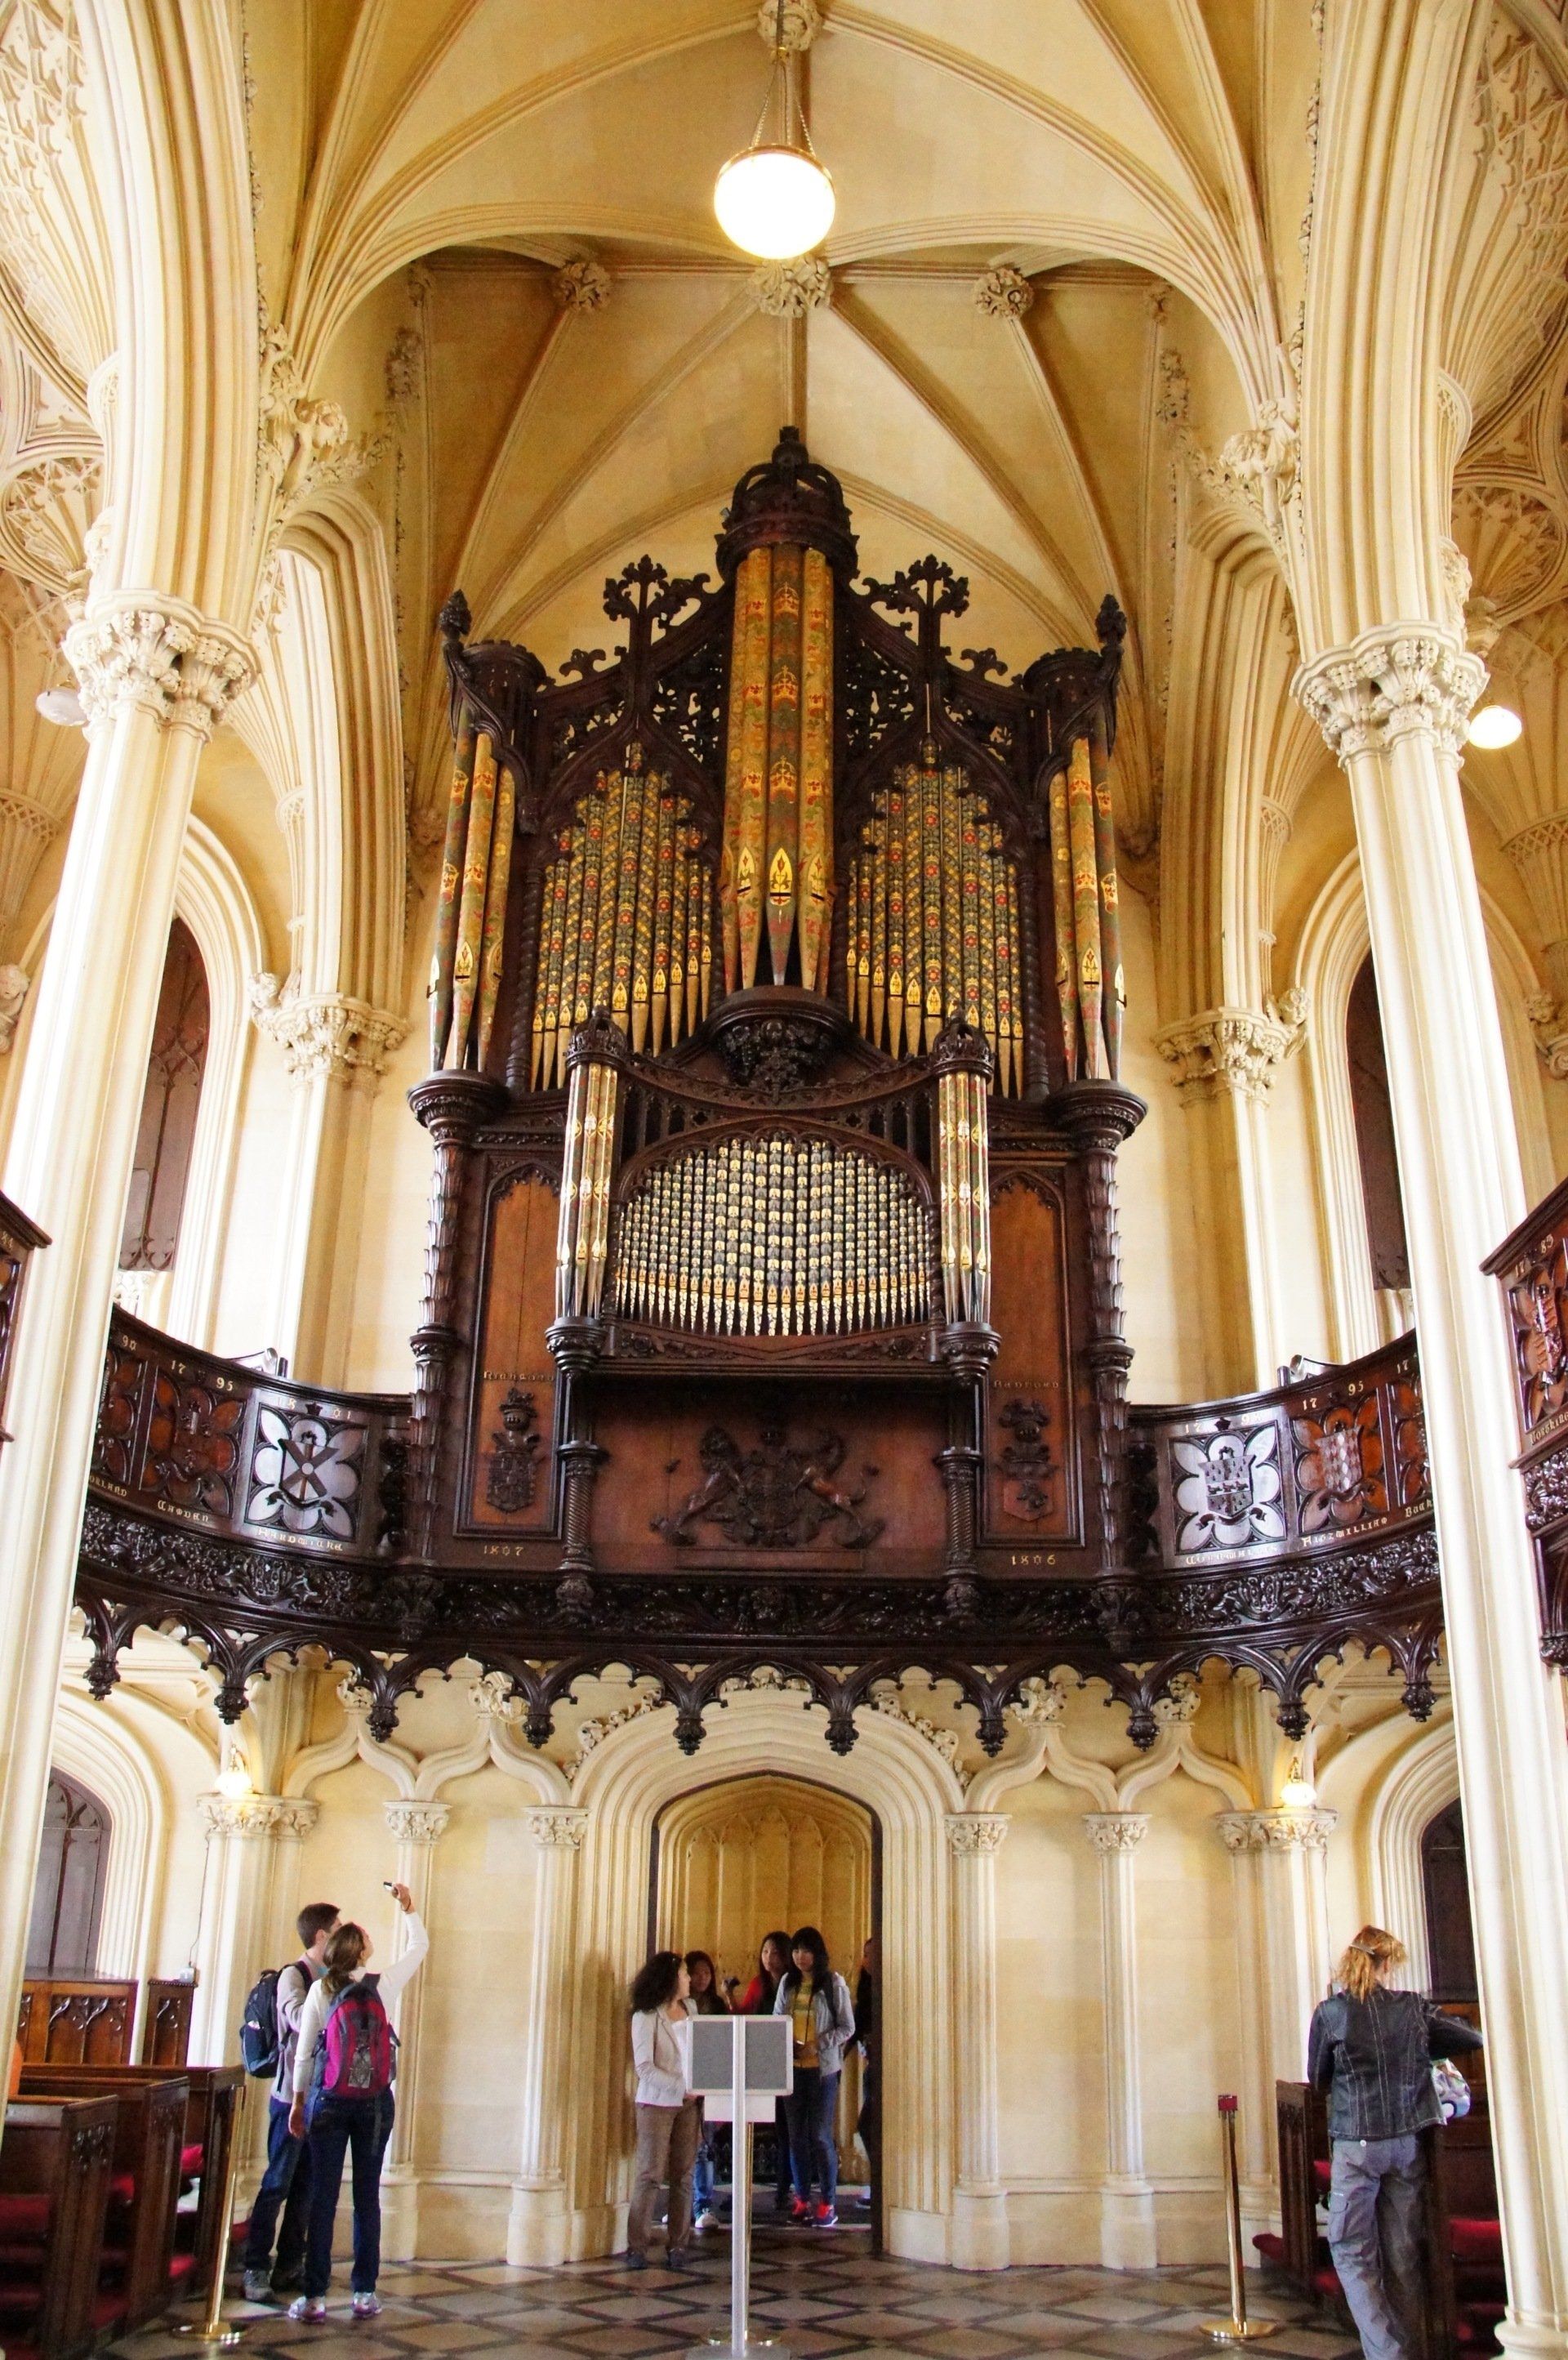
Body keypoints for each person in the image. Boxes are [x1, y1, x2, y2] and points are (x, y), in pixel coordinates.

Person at [1307, 1925, 1484, 2360]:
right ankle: (1411, 2347)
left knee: (1351, 2251)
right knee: (1403, 2253)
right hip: (1407, 2141)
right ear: (1386, 1964)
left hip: (1358, 2142)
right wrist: (1420, 2047)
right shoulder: (1413, 2009)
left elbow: (1318, 2077)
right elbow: (1471, 2037)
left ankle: (1388, 2353)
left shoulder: (1332, 2013)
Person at [287, 1881, 429, 2322]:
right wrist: (408, 1908)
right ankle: (364, 2292)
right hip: (373, 2105)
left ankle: (314, 2298)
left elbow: (305, 2051)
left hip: (328, 2102)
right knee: (368, 2198)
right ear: (362, 1952)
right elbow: (420, 1946)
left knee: (324, 2199)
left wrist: (297, 2101)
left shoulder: (320, 1991)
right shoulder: (381, 1983)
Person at [242, 1901, 340, 2303]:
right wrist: (335, 2003)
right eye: (335, 1930)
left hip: (320, 2098)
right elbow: (301, 2020)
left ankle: (289, 2264)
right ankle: (254, 2267)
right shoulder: (293, 1976)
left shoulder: (328, 1978)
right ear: (321, 1937)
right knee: (277, 2183)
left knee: (306, 2187)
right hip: (289, 2098)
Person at [773, 1926, 856, 2228]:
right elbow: (776, 2019)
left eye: (806, 1950)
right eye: (795, 1950)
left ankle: (828, 2202)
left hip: (822, 2072)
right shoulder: (788, 1982)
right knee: (796, 2139)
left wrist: (816, 2044)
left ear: (817, 1953)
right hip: (792, 2071)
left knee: (820, 2137)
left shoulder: (834, 1984)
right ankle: (802, 2199)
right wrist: (786, 2043)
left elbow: (847, 2027)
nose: (800, 1957)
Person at [627, 1951, 701, 2271]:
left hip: (690, 2103)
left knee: (684, 2175)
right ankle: (637, 2245)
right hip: (657, 2102)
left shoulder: (692, 2009)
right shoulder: (646, 2015)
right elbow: (644, 2067)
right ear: (671, 1979)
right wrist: (678, 2086)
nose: (689, 1979)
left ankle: (679, 2243)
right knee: (650, 2174)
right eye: (685, 1974)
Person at [737, 1933, 794, 2211]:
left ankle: (785, 2190)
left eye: (774, 1952)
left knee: (786, 2130)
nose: (769, 1958)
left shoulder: (794, 1984)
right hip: (758, 2062)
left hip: (787, 2063)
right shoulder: (758, 1984)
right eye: (765, 1952)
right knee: (750, 2124)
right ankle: (741, 2193)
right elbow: (744, 2014)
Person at [684, 1951, 729, 2231]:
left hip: (710, 2081)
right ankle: (686, 2205)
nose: (702, 1978)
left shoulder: (716, 2005)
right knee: (685, 2148)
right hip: (684, 2081)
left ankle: (703, 2204)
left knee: (704, 2146)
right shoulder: (679, 2005)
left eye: (706, 1973)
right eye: (696, 1972)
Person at [853, 1935, 877, 2212]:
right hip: (872, 2067)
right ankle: (878, 2180)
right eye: (866, 1954)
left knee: (870, 2124)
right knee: (867, 2125)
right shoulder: (867, 1989)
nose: (868, 1960)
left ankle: (880, 2181)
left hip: (888, 2067)